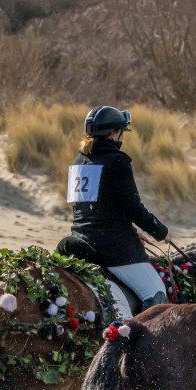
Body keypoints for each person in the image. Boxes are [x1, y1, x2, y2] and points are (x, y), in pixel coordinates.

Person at [67, 105, 172, 310]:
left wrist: (131, 231)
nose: (122, 137)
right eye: (120, 132)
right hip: (114, 249)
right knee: (156, 295)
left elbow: (90, 210)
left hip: (81, 242)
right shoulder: (118, 160)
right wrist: (161, 231)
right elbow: (134, 209)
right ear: (113, 134)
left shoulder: (79, 161)